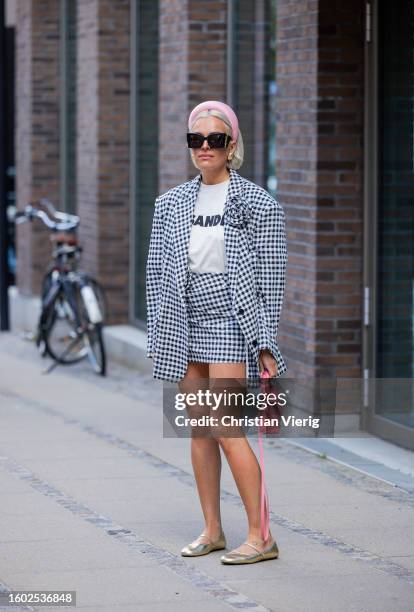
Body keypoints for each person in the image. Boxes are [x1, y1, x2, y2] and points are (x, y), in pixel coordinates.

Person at [146, 100, 287, 564]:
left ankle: (261, 535)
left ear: (232, 145)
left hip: (231, 319)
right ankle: (212, 530)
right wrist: (161, 332)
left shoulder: (258, 203)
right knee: (200, 431)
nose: (205, 147)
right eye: (196, 139)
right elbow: (155, 272)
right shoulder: (170, 204)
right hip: (184, 320)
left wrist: (265, 342)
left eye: (216, 139)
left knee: (227, 429)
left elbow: (272, 278)